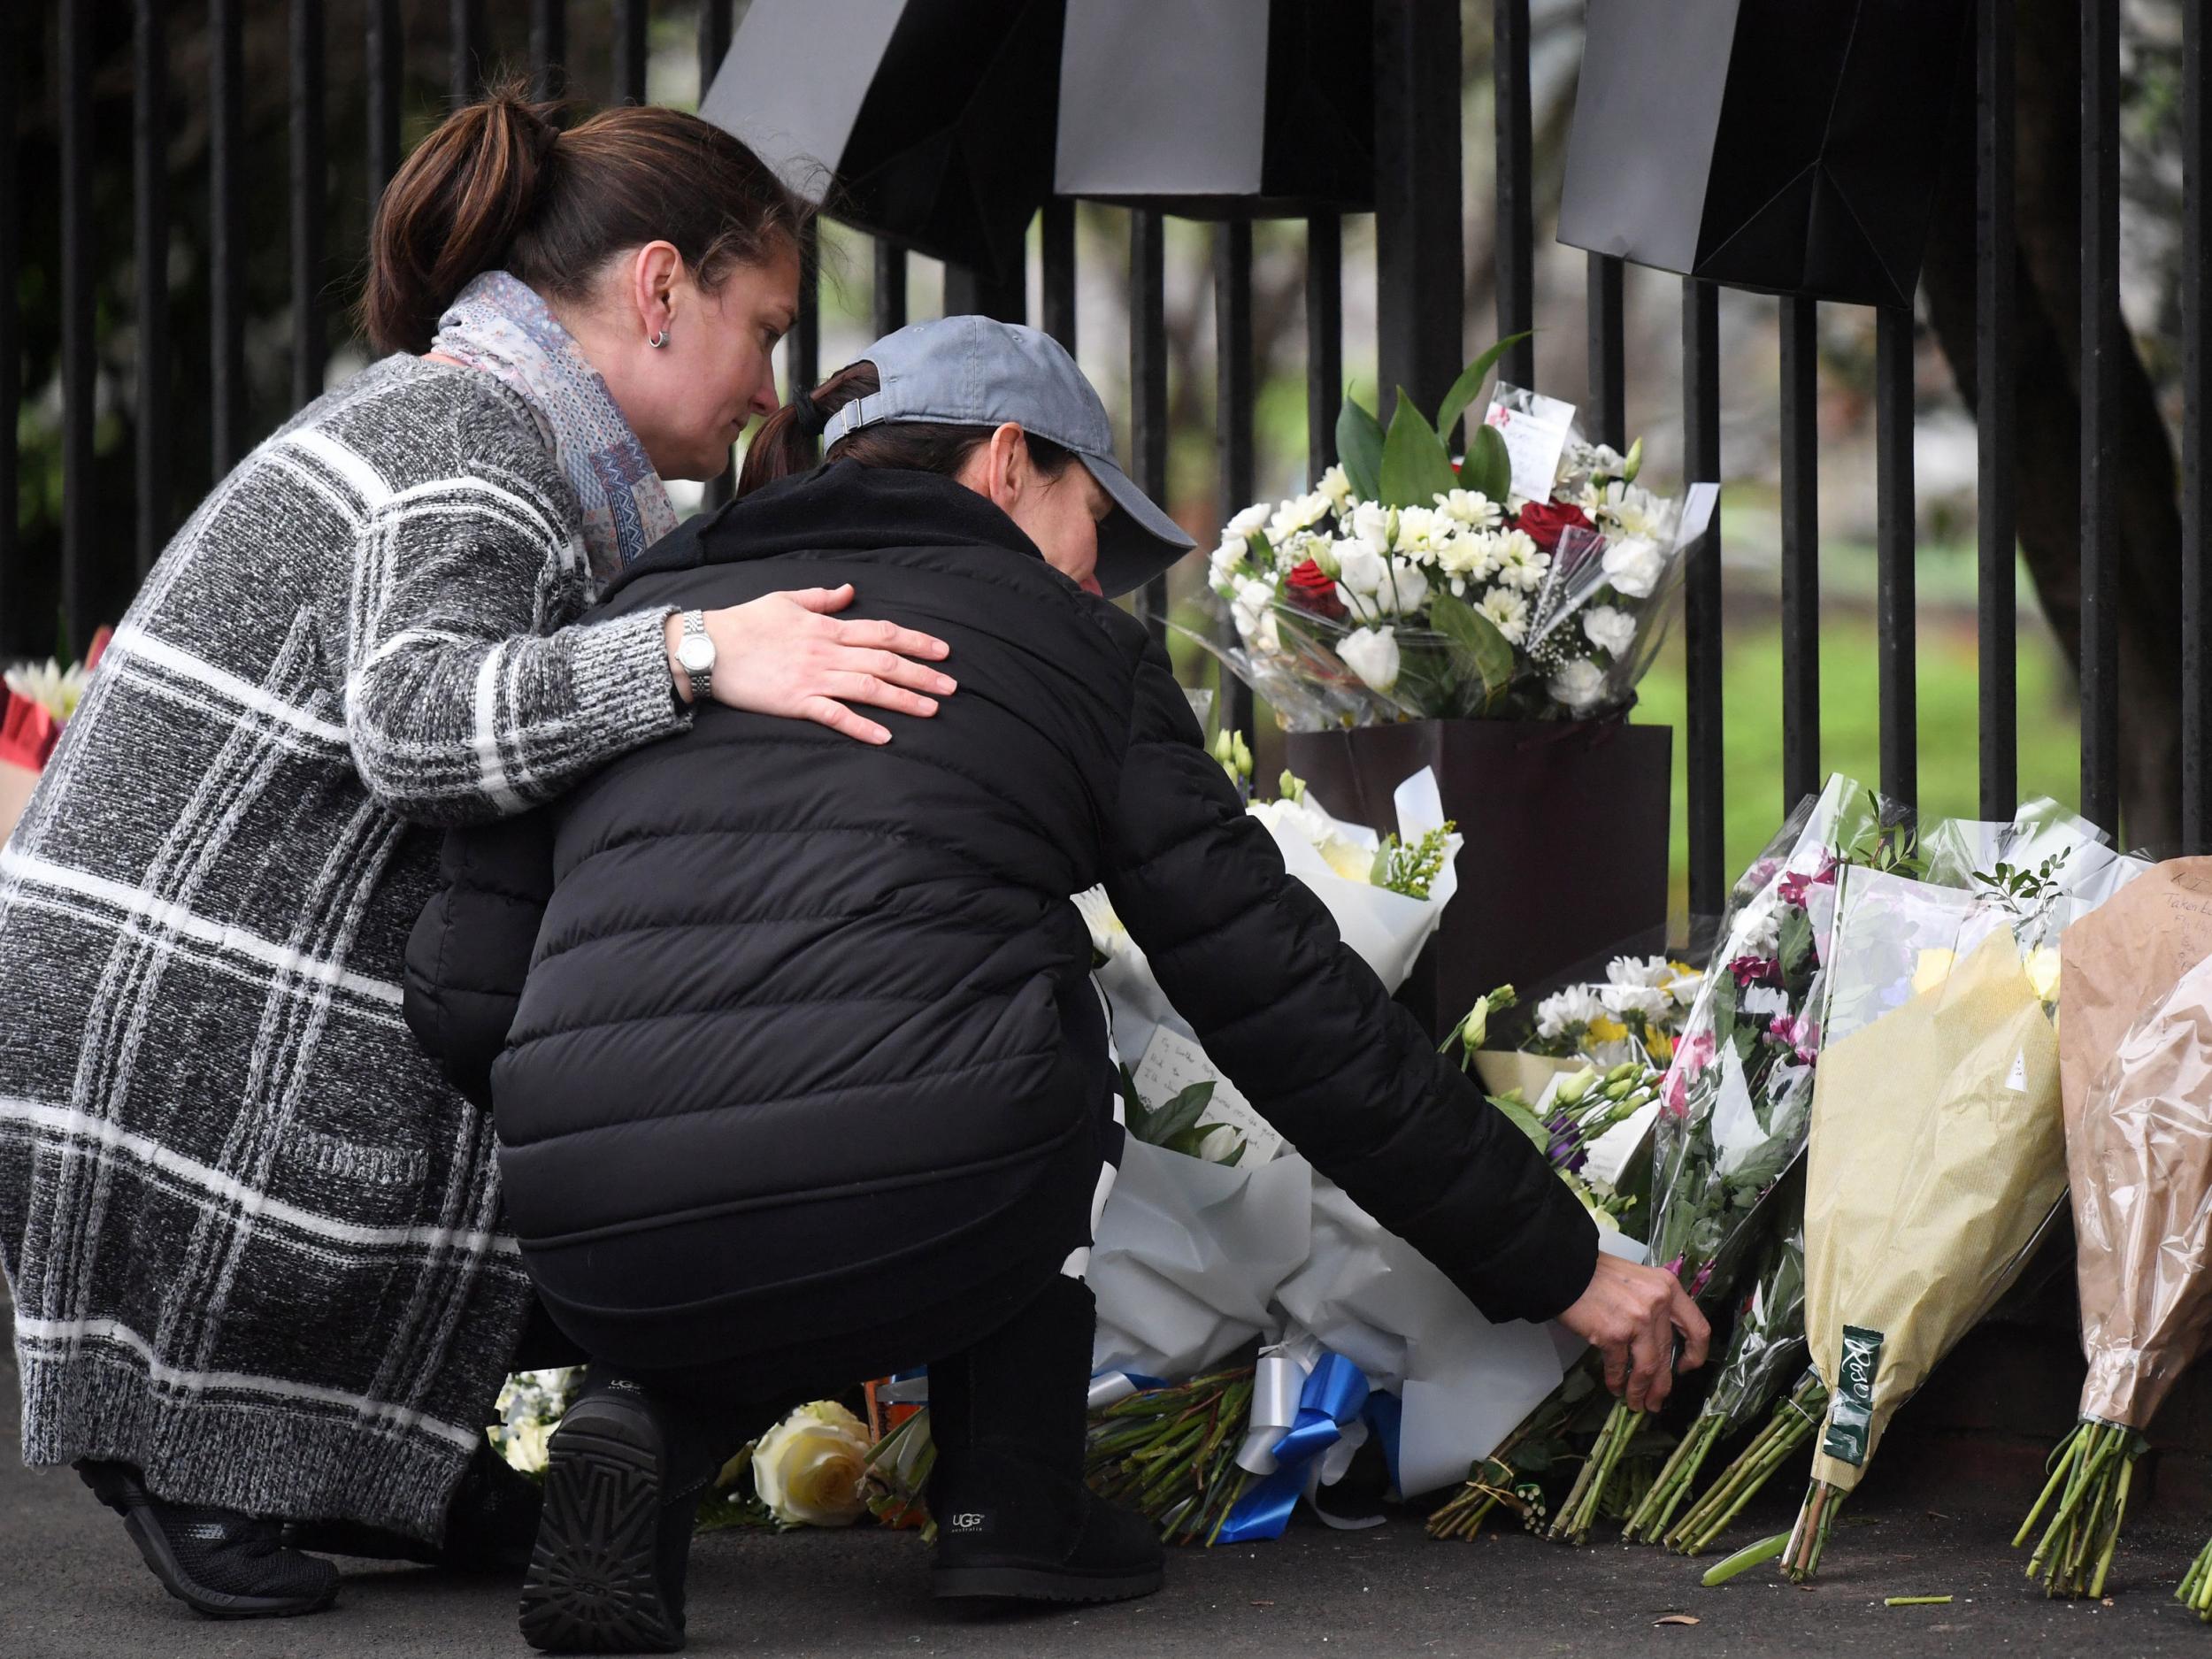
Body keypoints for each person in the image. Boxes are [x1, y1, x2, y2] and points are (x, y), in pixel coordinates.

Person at [411, 316, 1711, 1655]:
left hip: (591, 1232)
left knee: (797, 1101)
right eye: (1096, 517)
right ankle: (1010, 1514)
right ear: (1009, 463)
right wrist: (1564, 1264)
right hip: (930, 1183)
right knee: (1027, 1015)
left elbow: (462, 1000)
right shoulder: (1072, 653)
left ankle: (651, 1413)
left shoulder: (635, 627)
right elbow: (1287, 1006)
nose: (1102, 574)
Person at [0, 87, 958, 1622]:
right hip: (167, 1033)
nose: (767, 386)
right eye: (764, 327)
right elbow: (422, 726)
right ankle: (201, 1452)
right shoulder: (474, 437)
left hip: (168, 996)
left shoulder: (483, 418)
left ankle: (381, 1460)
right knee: (600, 1139)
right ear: (660, 288)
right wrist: (703, 648)